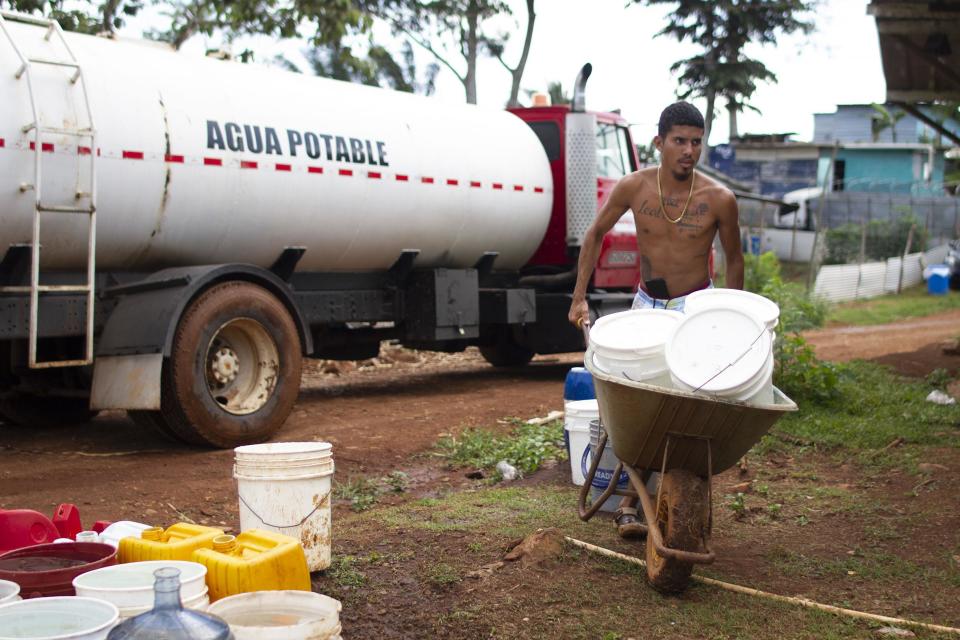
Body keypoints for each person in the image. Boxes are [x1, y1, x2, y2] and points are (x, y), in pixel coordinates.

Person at [567, 101, 744, 538]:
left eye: (696, 142)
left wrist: (734, 320)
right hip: (647, 306)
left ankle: (664, 497)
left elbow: (735, 262)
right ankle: (633, 497)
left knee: (688, 406)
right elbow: (594, 234)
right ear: (659, 143)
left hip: (695, 307)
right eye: (680, 141)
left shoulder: (720, 200)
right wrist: (578, 299)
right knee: (640, 404)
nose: (689, 150)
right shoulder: (634, 188)